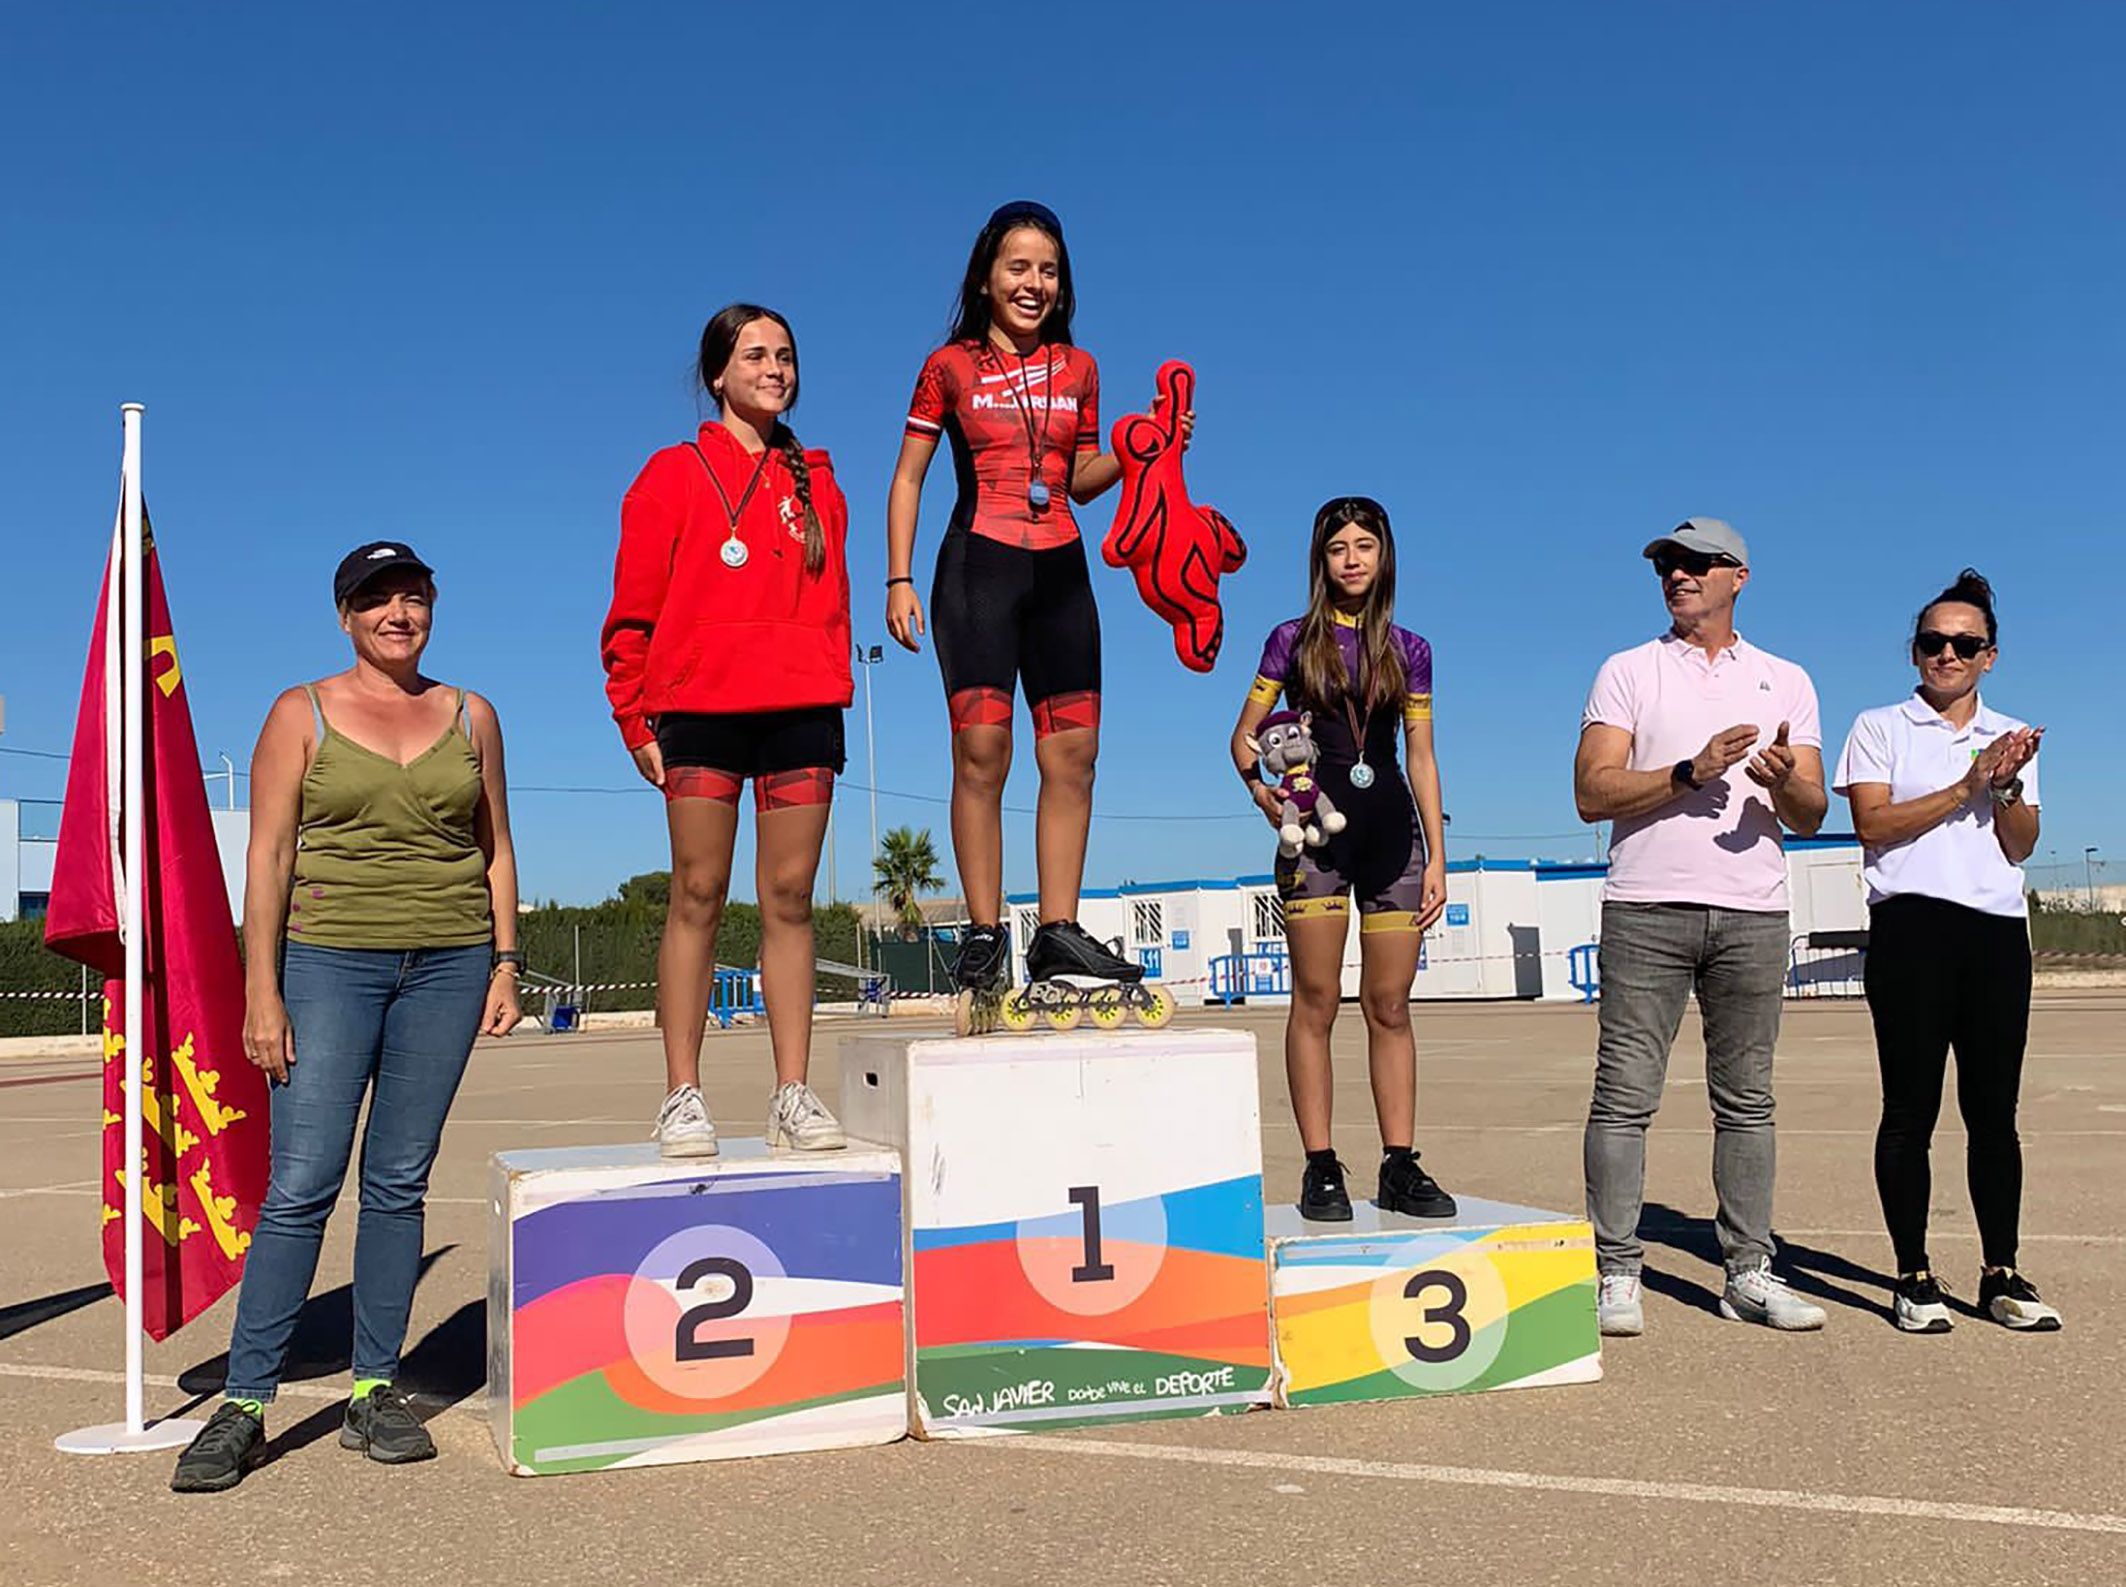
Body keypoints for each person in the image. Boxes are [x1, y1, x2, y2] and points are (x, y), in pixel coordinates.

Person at [172, 543, 522, 1492]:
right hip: (328, 964)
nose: (397, 613)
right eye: (377, 599)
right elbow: (270, 854)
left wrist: (504, 961)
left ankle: (373, 1389)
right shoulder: (302, 710)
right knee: (301, 1185)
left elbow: (495, 847)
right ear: (345, 616)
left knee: (399, 1181)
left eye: (412, 596)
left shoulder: (472, 714)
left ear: (432, 608)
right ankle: (245, 1401)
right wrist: (262, 988)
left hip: (448, 968)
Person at [885, 199, 1190, 999]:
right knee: (984, 752)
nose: (1034, 283)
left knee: (1074, 756)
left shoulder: (1079, 367)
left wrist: (1137, 448)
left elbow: (1082, 481)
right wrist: (899, 577)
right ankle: (985, 932)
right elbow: (909, 475)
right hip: (975, 569)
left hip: (1061, 574)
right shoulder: (947, 365)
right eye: (1018, 267)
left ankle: (1056, 931)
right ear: (987, 277)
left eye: (1048, 270)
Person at [601, 304, 852, 1159]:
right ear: (717, 374)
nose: (774, 368)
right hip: (699, 709)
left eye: (786, 355)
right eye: (755, 355)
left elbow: (830, 609)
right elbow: (630, 614)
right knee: (697, 894)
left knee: (789, 898)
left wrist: (830, 683)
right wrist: (633, 712)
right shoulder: (670, 475)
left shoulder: (817, 480)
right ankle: (682, 1094)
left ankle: (792, 1092)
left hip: (801, 709)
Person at [1573, 517, 1830, 1335]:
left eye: (1693, 565)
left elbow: (1814, 811)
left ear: (1738, 576)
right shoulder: (1628, 670)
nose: (1677, 576)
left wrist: (1786, 781)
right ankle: (1617, 1271)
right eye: (1666, 567)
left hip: (1753, 911)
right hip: (1646, 907)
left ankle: (1748, 1270)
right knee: (1623, 1097)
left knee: (1747, 1101)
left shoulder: (1785, 678)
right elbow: (1592, 791)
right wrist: (1691, 772)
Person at [1833, 569, 2057, 1333]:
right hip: (1913, 930)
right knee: (1910, 1108)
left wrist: (2007, 787)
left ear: (1990, 655)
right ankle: (1914, 1272)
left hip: (1995, 932)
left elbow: (2019, 847)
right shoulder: (1880, 726)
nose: (1948, 654)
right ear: (1915, 651)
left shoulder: (2013, 734)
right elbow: (1875, 825)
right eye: (1934, 642)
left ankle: (2002, 1271)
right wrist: (1968, 782)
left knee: (1995, 1112)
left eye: (1965, 643)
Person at [1229, 498, 1454, 1221]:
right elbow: (1242, 738)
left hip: (1394, 838)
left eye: (1365, 545)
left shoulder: (1410, 649)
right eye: (1337, 548)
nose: (1352, 559)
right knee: (1316, 1000)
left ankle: (1399, 1163)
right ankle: (1320, 1166)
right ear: (1319, 560)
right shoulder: (1291, 641)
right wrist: (1267, 797)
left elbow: (1420, 755)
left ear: (1384, 556)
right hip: (1315, 840)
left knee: (1390, 1004)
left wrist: (1439, 856)